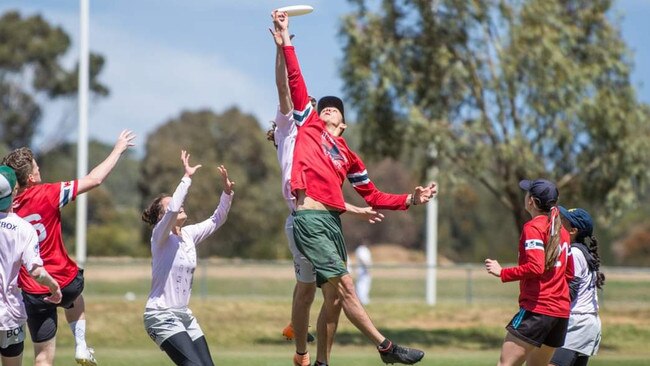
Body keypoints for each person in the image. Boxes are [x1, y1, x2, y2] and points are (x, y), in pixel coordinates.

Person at [274, 11, 435, 365]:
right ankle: (386, 347)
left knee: (333, 299)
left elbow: (374, 196)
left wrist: (412, 198)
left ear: (343, 124)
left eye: (334, 110)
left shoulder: (348, 156)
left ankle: (321, 362)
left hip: (333, 224)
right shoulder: (309, 126)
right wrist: (286, 39)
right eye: (324, 107)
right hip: (309, 219)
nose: (327, 110)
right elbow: (295, 80)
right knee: (346, 285)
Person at [267, 19, 385, 366]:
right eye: (316, 109)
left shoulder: (329, 147)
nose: (317, 111)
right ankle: (307, 352)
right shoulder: (293, 126)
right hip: (301, 217)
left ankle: (312, 354)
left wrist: (357, 209)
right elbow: (284, 88)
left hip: (319, 215)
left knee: (325, 295)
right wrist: (281, 47)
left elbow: (329, 192)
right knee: (330, 289)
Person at [2, 130, 136, 366]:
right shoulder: (49, 193)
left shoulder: (7, 210)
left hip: (32, 290)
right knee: (75, 296)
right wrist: (118, 149)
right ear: (30, 178)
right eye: (36, 167)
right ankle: (81, 345)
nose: (39, 169)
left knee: (43, 356)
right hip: (63, 278)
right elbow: (95, 179)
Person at [142, 150, 234, 366]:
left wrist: (227, 193)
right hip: (160, 316)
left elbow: (216, 219)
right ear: (161, 218)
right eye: (171, 204)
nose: (179, 204)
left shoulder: (189, 235)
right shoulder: (159, 236)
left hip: (183, 315)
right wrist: (187, 177)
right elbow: (174, 207)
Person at [485, 179, 574, 366]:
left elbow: (536, 267)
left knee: (505, 364)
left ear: (531, 201)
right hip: (560, 314)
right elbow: (569, 274)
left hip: (538, 310)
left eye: (526, 193)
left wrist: (502, 272)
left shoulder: (534, 227)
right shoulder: (562, 231)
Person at [0, 165, 62, 366]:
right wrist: (54, 286)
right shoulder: (24, 229)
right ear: (14, 191)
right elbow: (36, 272)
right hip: (9, 316)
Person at [550, 207, 604, 366]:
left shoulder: (574, 253)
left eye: (563, 222)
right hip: (586, 322)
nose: (558, 224)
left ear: (573, 230)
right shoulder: (582, 251)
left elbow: (569, 292)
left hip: (577, 323)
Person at [354, 240, 373, 305]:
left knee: (366, 284)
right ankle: (361, 299)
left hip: (365, 270)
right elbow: (363, 260)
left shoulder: (365, 249)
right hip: (362, 270)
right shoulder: (361, 250)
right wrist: (367, 268)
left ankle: (364, 299)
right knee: (361, 285)